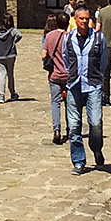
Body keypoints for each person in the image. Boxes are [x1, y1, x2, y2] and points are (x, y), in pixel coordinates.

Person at [64, 6, 108, 174]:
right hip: (74, 84)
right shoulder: (68, 39)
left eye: (86, 18)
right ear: (75, 20)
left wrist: (97, 75)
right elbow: (65, 59)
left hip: (93, 85)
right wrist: (72, 74)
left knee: (95, 123)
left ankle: (96, 148)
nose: (83, 21)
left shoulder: (98, 38)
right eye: (80, 18)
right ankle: (79, 161)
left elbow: (103, 60)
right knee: (74, 126)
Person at [43, 12, 70, 144]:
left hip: (54, 75)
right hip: (69, 76)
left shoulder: (49, 36)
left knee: (55, 102)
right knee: (70, 103)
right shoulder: (70, 37)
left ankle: (56, 130)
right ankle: (70, 128)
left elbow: (43, 55)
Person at [0, 13, 22, 103]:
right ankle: (12, 93)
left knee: (1, 75)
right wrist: (14, 42)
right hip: (10, 55)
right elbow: (19, 35)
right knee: (10, 74)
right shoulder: (12, 31)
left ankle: (2, 96)